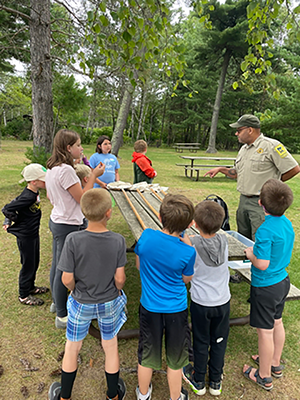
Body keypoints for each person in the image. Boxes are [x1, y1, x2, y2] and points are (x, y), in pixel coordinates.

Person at [48, 189, 127, 400]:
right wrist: (117, 290)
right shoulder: (118, 240)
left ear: (83, 212)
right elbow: (120, 279)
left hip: (81, 302)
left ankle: (64, 395)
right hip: (109, 300)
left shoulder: (73, 240)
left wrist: (75, 290)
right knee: (110, 346)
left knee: (73, 347)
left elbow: (66, 279)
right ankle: (113, 394)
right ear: (109, 213)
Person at [204, 114, 299, 283]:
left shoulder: (271, 146)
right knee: (244, 238)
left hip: (261, 204)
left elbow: (293, 168)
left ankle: (262, 280)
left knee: (260, 241)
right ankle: (243, 274)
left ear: (250, 129)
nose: (236, 134)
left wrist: (274, 185)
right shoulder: (244, 149)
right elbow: (237, 172)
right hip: (244, 200)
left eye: (239, 130)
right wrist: (220, 169)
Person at [135, 194, 196, 400]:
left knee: (148, 353)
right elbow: (186, 279)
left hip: (150, 307)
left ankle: (143, 394)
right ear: (188, 224)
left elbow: (138, 265)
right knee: (176, 358)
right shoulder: (188, 252)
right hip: (176, 310)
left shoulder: (145, 237)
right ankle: (175, 396)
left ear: (160, 217)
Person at [46, 129, 105, 329]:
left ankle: (57, 303)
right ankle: (62, 315)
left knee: (58, 264)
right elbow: (83, 199)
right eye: (79, 145)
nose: (82, 149)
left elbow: (50, 197)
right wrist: (94, 176)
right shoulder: (67, 171)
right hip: (69, 224)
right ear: (68, 147)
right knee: (66, 269)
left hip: (58, 220)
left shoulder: (53, 167)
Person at [242, 178, 294, 391]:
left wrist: (250, 254)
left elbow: (262, 264)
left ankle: (263, 375)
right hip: (282, 282)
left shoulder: (264, 230)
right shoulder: (287, 223)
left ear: (261, 202)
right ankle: (274, 362)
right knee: (277, 322)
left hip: (266, 286)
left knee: (264, 331)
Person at [182, 200, 230, 397]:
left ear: (195, 223)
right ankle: (216, 381)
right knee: (219, 340)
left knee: (201, 341)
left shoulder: (192, 244)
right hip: (223, 302)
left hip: (201, 303)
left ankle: (199, 379)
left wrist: (186, 229)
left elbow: (184, 240)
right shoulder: (224, 241)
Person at [2, 163, 49, 305]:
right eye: (43, 179)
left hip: (33, 233)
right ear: (34, 181)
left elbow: (14, 202)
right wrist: (14, 220)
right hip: (26, 235)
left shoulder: (33, 192)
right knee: (28, 264)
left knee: (34, 262)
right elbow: (7, 208)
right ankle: (23, 295)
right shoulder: (28, 196)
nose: (46, 181)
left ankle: (31, 287)